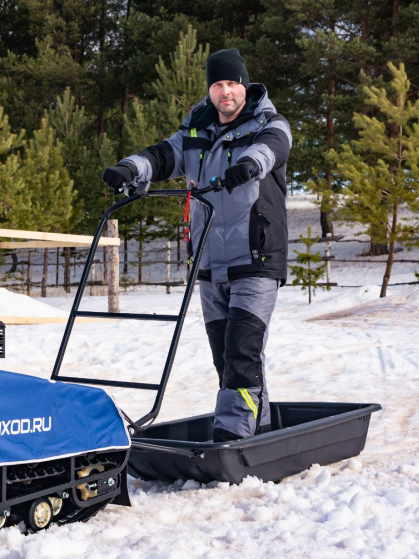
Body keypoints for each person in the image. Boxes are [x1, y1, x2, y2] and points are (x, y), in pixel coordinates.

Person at [102, 48, 292, 442]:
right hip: (209, 263)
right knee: (227, 358)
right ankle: (260, 432)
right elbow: (161, 156)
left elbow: (271, 149)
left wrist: (248, 166)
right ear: (209, 90)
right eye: (218, 84)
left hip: (255, 258)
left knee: (241, 352)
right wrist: (129, 168)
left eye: (232, 83)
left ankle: (232, 438)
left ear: (245, 86)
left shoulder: (269, 125)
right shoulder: (195, 132)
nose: (226, 91)